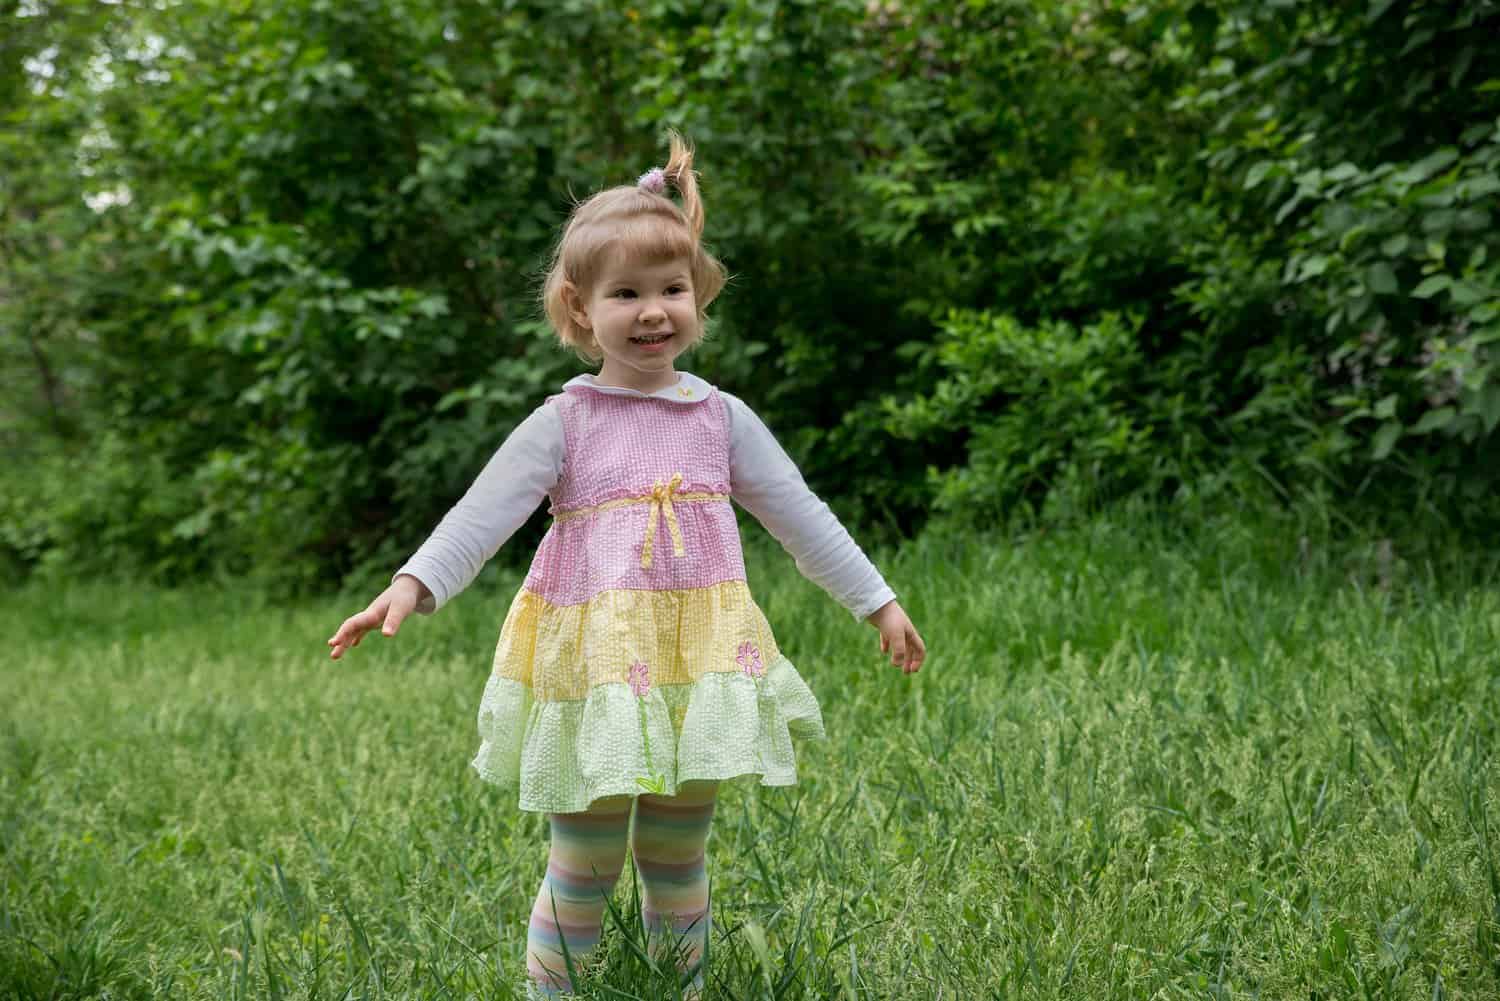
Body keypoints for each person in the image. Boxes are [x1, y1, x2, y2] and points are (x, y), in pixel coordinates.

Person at [326, 132, 927, 999]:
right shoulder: (565, 421)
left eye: (673, 289)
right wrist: (411, 585)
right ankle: (553, 991)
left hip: (696, 667)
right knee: (585, 860)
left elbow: (802, 515)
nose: (654, 311)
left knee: (679, 858)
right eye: (628, 294)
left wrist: (876, 600)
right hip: (597, 675)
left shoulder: (721, 419)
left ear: (699, 296)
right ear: (580, 310)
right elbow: (481, 514)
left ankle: (679, 988)